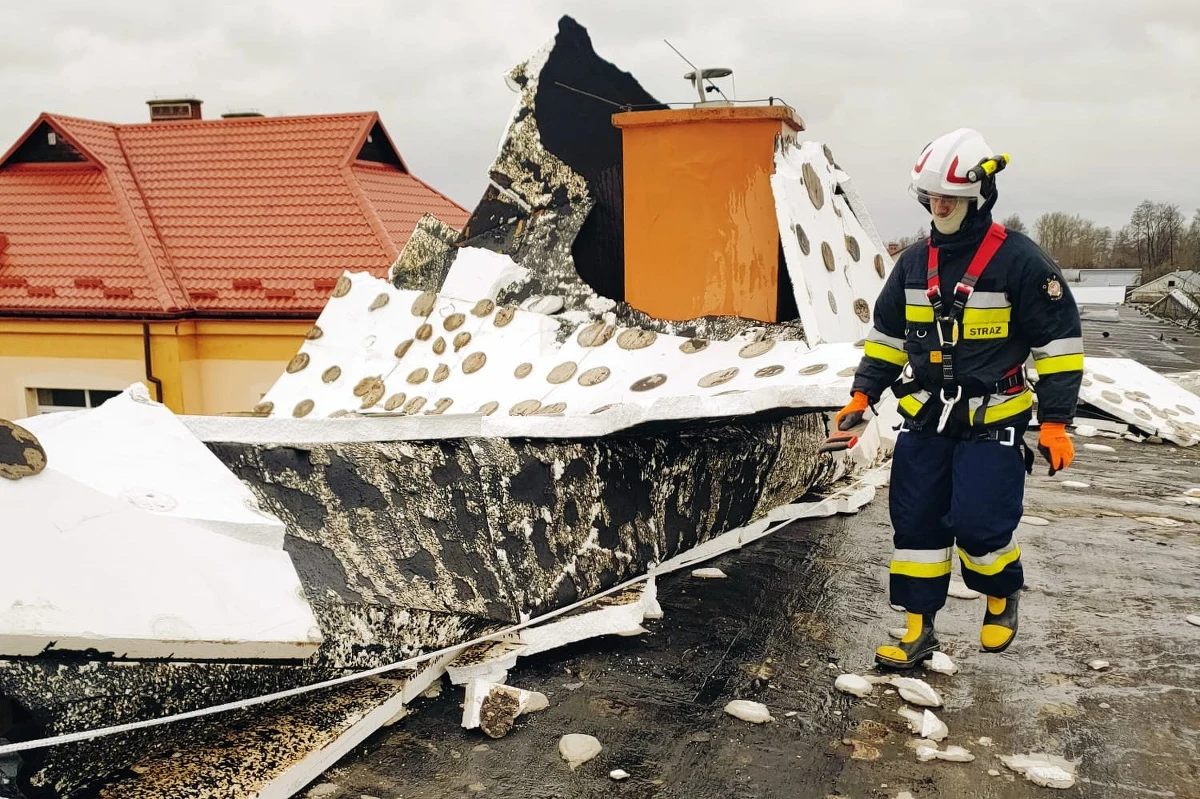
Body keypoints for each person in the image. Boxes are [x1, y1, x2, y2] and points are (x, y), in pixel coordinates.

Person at [835, 128, 1083, 670]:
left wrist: (1057, 421)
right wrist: (861, 396)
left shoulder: (1021, 261)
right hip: (926, 419)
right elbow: (887, 340)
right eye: (932, 197)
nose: (941, 205)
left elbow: (1059, 348)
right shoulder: (912, 263)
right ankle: (919, 630)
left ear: (980, 196)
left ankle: (1001, 591)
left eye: (952, 197)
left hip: (994, 420)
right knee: (916, 525)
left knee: (978, 524)